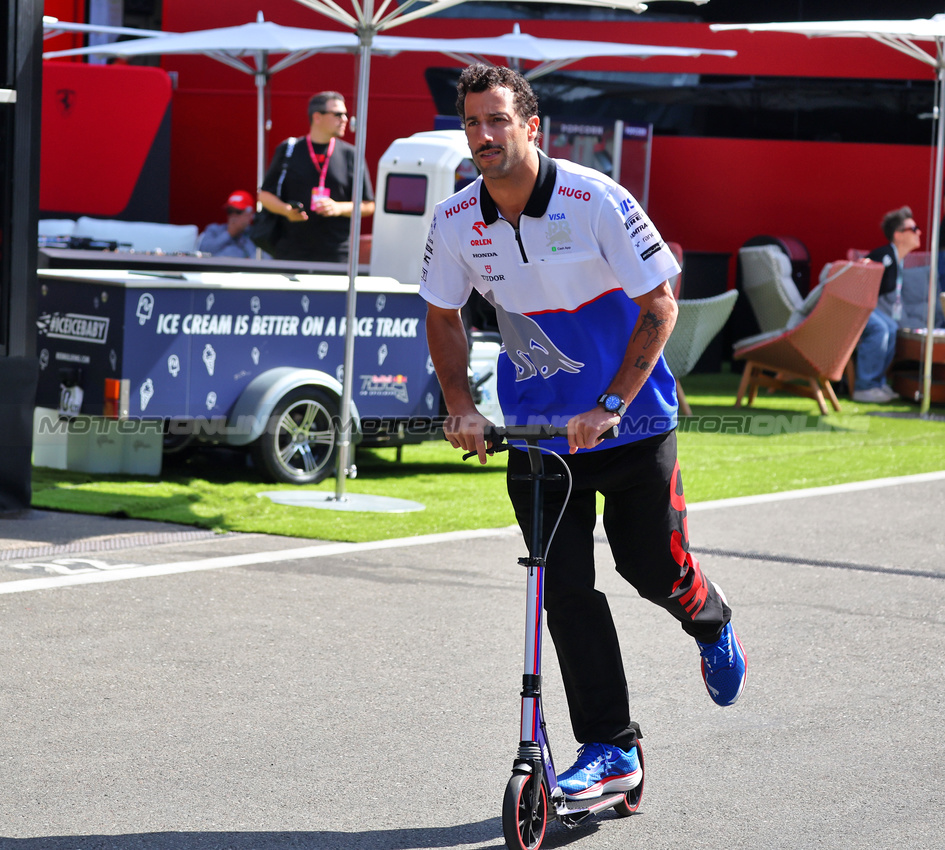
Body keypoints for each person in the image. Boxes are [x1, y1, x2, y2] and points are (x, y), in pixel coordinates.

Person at [421, 64, 746, 803]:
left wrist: (609, 402)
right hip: (538, 441)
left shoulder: (595, 198)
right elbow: (442, 314)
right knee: (562, 591)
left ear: (531, 126)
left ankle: (710, 619)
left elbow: (659, 306)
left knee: (650, 570)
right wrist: (458, 402)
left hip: (629, 428)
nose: (483, 135)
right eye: (471, 122)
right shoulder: (454, 221)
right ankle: (610, 748)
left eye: (497, 120)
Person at [257, 91, 374, 263]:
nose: (345, 119)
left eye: (346, 114)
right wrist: (286, 210)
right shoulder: (289, 149)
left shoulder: (351, 154)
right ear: (317, 117)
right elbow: (264, 195)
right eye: (338, 114)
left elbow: (369, 205)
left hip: (336, 254)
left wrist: (338, 208)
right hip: (291, 252)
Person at [858, 206, 920, 402]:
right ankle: (864, 387)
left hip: (869, 307)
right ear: (898, 235)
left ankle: (877, 383)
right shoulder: (884, 256)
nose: (919, 232)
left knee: (891, 327)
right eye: (914, 228)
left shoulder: (897, 259)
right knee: (880, 328)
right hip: (857, 308)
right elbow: (862, 282)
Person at [196, 189, 257, 259]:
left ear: (250, 214)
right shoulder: (214, 229)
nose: (233, 215)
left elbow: (261, 258)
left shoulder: (256, 234)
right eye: (230, 211)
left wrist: (240, 232)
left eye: (238, 211)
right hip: (217, 269)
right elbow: (203, 252)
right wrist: (229, 234)